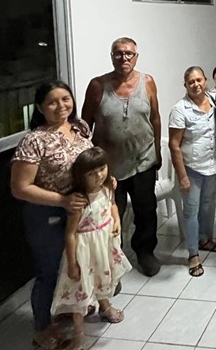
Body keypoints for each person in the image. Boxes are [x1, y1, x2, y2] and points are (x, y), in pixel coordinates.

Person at [11, 82, 94, 350]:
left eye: (65, 99)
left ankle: (68, 309)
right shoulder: (34, 140)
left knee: (75, 265)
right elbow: (20, 188)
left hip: (79, 210)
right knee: (48, 272)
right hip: (47, 213)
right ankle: (42, 329)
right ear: (40, 107)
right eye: (52, 102)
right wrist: (63, 200)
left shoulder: (79, 128)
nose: (61, 106)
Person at [82, 37, 162, 277]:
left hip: (143, 160)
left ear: (136, 57)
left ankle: (145, 252)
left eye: (129, 54)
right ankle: (111, 261)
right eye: (118, 53)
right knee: (109, 215)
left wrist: (157, 151)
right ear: (112, 57)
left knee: (146, 211)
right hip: (108, 168)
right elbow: (85, 124)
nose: (124, 58)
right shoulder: (98, 86)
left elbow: (155, 118)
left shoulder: (148, 82)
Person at [51, 147, 132, 350]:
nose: (99, 176)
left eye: (102, 169)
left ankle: (105, 307)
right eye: (91, 173)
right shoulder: (79, 201)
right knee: (81, 290)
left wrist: (116, 221)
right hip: (84, 251)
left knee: (102, 278)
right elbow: (70, 234)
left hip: (103, 245)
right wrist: (72, 263)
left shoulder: (107, 188)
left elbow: (112, 205)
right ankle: (79, 333)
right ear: (81, 176)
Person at [168, 66, 216, 277]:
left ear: (205, 81)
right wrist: (182, 176)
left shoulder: (214, 101)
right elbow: (174, 145)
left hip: (211, 166)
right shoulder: (180, 110)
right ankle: (193, 254)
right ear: (185, 85)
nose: (196, 84)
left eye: (199, 80)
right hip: (191, 168)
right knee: (191, 210)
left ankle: (205, 240)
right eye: (191, 82)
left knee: (208, 206)